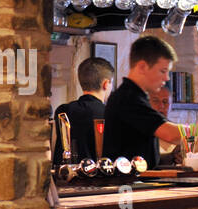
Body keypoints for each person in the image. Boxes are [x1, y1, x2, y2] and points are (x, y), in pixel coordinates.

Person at [103, 35, 186, 166]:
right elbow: (170, 134)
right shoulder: (128, 98)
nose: (167, 78)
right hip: (127, 184)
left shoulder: (136, 96)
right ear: (142, 67)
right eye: (163, 71)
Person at [53, 56, 114, 164]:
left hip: (65, 177)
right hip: (99, 178)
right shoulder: (109, 114)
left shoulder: (63, 111)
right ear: (106, 84)